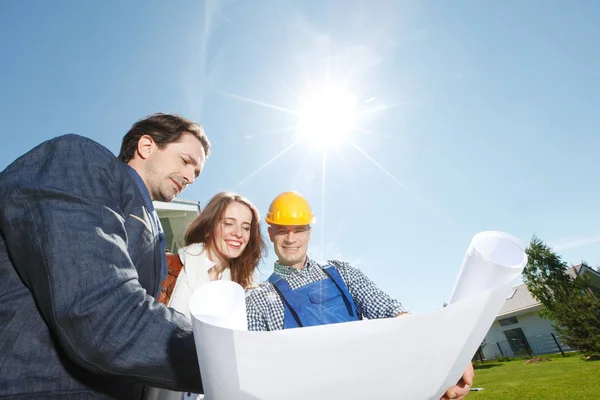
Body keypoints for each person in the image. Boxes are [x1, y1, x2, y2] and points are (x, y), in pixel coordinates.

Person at [0, 113, 211, 399]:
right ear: (146, 146)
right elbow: (99, 313)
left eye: (196, 173)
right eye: (186, 161)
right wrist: (223, 357)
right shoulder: (79, 162)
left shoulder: (153, 228)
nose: (189, 177)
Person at [245, 191, 475, 400]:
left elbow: (390, 312)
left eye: (299, 230)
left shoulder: (341, 272)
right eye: (283, 230)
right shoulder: (257, 299)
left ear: (309, 232)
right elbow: (258, 374)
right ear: (271, 233)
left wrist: (443, 352)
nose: (291, 239)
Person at [146, 191, 267, 400]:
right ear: (210, 226)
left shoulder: (239, 295)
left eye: (246, 227)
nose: (238, 233)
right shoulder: (169, 268)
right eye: (229, 223)